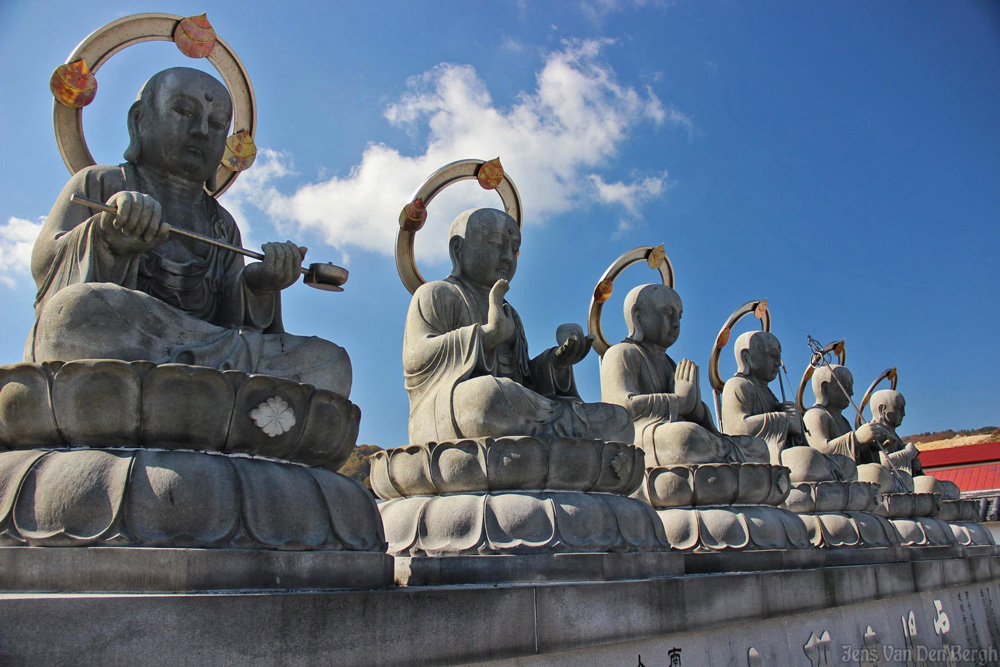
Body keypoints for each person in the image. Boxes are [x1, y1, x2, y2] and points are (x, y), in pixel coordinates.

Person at [27, 67, 351, 396]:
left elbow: (230, 323)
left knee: (329, 362)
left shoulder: (221, 224)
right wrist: (105, 237)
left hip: (212, 351)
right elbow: (46, 265)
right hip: (126, 336)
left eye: (215, 124)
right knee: (77, 312)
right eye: (183, 112)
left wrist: (259, 285)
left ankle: (194, 389)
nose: (200, 131)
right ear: (139, 120)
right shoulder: (101, 183)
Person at [402, 208, 633, 444]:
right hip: (457, 410)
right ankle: (561, 439)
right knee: (488, 396)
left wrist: (555, 363)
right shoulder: (436, 294)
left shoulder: (509, 312)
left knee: (619, 419)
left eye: (514, 250)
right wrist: (485, 336)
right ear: (458, 250)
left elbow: (526, 382)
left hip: (519, 410)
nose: (507, 257)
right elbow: (415, 360)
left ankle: (551, 437)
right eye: (495, 243)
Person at [600, 284, 768, 466]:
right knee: (685, 437)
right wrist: (679, 401)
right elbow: (620, 409)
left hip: (687, 435)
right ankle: (730, 471)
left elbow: (693, 413)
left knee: (758, 447)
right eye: (667, 313)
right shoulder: (622, 353)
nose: (675, 323)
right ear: (638, 316)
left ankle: (726, 467)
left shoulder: (671, 364)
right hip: (641, 436)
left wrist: (695, 407)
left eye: (679, 316)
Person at [721, 330, 805, 465]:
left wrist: (790, 414)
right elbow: (738, 428)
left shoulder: (768, 392)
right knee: (804, 459)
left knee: (807, 457)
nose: (778, 363)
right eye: (772, 355)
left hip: (772, 452)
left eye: (779, 357)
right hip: (750, 454)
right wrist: (785, 420)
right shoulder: (737, 385)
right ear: (746, 356)